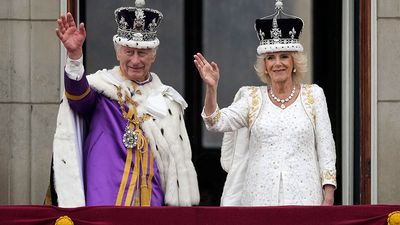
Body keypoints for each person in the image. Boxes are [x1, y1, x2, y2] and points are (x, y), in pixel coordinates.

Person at [49, 0, 199, 207]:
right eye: (129, 52)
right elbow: (78, 98)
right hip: (105, 197)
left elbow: (174, 166)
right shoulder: (102, 89)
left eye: (142, 53)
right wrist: (75, 57)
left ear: (153, 56)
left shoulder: (167, 102)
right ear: (118, 52)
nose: (135, 60)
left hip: (151, 201)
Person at [194, 0, 336, 206]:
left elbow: (326, 147)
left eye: (284, 56)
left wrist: (328, 194)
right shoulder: (252, 98)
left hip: (305, 196)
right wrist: (211, 88)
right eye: (271, 58)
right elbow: (215, 122)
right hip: (259, 197)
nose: (277, 63)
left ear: (294, 63)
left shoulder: (313, 95)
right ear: (265, 65)